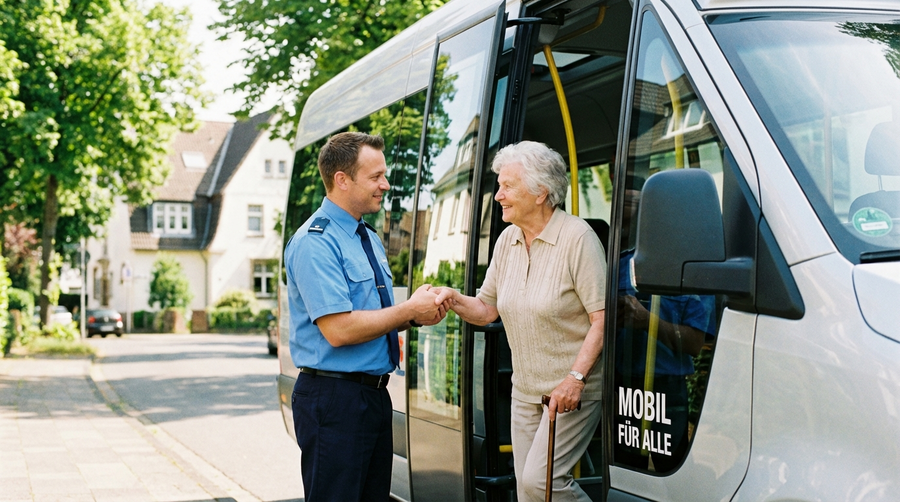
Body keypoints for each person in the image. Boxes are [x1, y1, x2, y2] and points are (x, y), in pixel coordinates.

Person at [433, 141, 606, 502]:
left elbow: (601, 319)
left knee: (542, 483)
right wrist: (452, 299)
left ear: (541, 191)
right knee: (529, 494)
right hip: (525, 392)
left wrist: (575, 380)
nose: (498, 196)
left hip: (570, 392)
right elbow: (486, 309)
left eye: (507, 186)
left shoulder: (578, 239)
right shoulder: (507, 240)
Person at [284, 131, 448, 501]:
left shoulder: (366, 236)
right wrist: (407, 309)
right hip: (334, 399)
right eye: (375, 177)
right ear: (342, 180)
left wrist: (417, 314)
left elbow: (375, 316)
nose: (385, 185)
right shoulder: (316, 241)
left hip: (371, 397)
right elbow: (339, 330)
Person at [613, 178, 717, 473]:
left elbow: (696, 343)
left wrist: (647, 321)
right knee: (624, 471)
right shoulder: (619, 264)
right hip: (620, 384)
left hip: (666, 392)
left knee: (670, 471)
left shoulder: (692, 269)